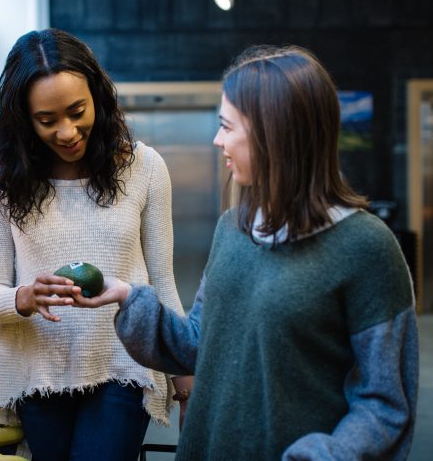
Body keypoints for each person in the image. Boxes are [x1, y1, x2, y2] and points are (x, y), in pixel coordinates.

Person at [74, 45, 419, 460]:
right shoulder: (233, 228)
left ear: (275, 134)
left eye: (227, 126)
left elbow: (385, 403)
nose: (217, 140)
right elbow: (201, 343)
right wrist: (129, 298)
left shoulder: (367, 248)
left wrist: (326, 454)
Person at [0, 28, 190, 461]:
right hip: (36, 368)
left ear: (98, 96)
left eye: (77, 111)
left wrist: (185, 368)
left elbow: (162, 279)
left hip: (124, 364)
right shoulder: (0, 181)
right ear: (24, 119)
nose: (68, 131)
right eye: (47, 120)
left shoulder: (144, 167)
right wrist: (25, 296)